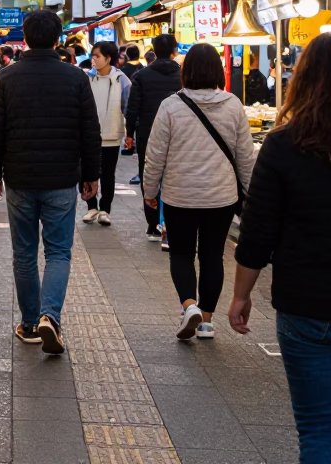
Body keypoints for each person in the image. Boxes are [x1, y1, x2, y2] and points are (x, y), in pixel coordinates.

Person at [230, 33, 331, 462]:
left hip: (308, 306)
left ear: (305, 77)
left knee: (321, 428)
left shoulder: (286, 144)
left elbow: (257, 231)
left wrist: (240, 295)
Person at [0, 10, 101, 356]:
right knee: (59, 251)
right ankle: (51, 316)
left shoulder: (7, 77)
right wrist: (91, 175)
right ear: (56, 39)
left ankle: (31, 322)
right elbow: (89, 130)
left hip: (19, 176)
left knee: (24, 253)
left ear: (25, 37)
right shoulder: (75, 77)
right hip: (63, 177)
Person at [140, 43, 255, 340]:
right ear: (217, 71)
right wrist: (251, 194)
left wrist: (149, 191)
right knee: (212, 256)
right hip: (221, 197)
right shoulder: (233, 104)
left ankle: (188, 304)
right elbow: (245, 157)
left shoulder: (171, 105)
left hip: (180, 196)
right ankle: (205, 320)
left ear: (186, 71)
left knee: (180, 253)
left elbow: (155, 155)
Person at [125, 34, 182, 244]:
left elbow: (133, 109)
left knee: (149, 176)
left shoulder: (142, 76)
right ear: (174, 50)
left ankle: (153, 225)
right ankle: (170, 223)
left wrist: (129, 134)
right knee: (173, 177)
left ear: (153, 51)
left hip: (148, 134)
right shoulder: (183, 75)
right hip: (178, 134)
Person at [83, 41, 132, 226]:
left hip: (111, 134)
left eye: (97, 56)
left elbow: (128, 107)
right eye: (92, 56)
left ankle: (105, 209)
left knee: (108, 174)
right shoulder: (87, 78)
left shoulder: (121, 79)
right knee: (88, 172)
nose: (93, 60)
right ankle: (91, 207)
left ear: (108, 58)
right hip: (89, 135)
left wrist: (129, 133)